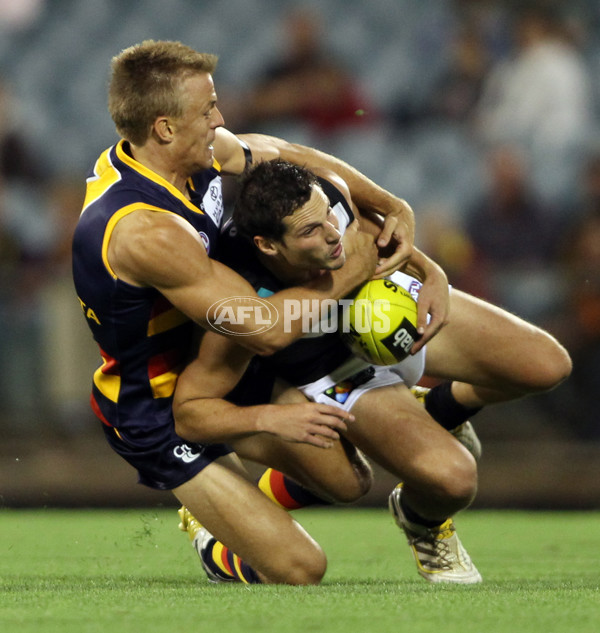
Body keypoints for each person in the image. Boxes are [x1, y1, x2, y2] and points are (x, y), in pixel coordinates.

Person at [71, 40, 445, 586]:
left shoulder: (185, 153)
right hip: (160, 410)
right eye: (207, 111)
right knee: (301, 570)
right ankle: (214, 538)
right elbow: (264, 329)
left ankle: (240, 494)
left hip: (222, 364)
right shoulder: (144, 230)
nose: (220, 120)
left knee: (349, 482)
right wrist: (353, 267)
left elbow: (295, 155)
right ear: (165, 128)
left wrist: (391, 208)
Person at [174, 159, 572, 585]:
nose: (331, 234)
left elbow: (370, 232)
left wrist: (429, 271)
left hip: (382, 306)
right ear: (269, 246)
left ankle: (438, 411)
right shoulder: (240, 291)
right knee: (449, 481)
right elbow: (189, 410)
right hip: (330, 367)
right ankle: (423, 521)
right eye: (309, 232)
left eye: (326, 215)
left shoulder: (327, 198)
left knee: (546, 366)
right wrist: (269, 417)